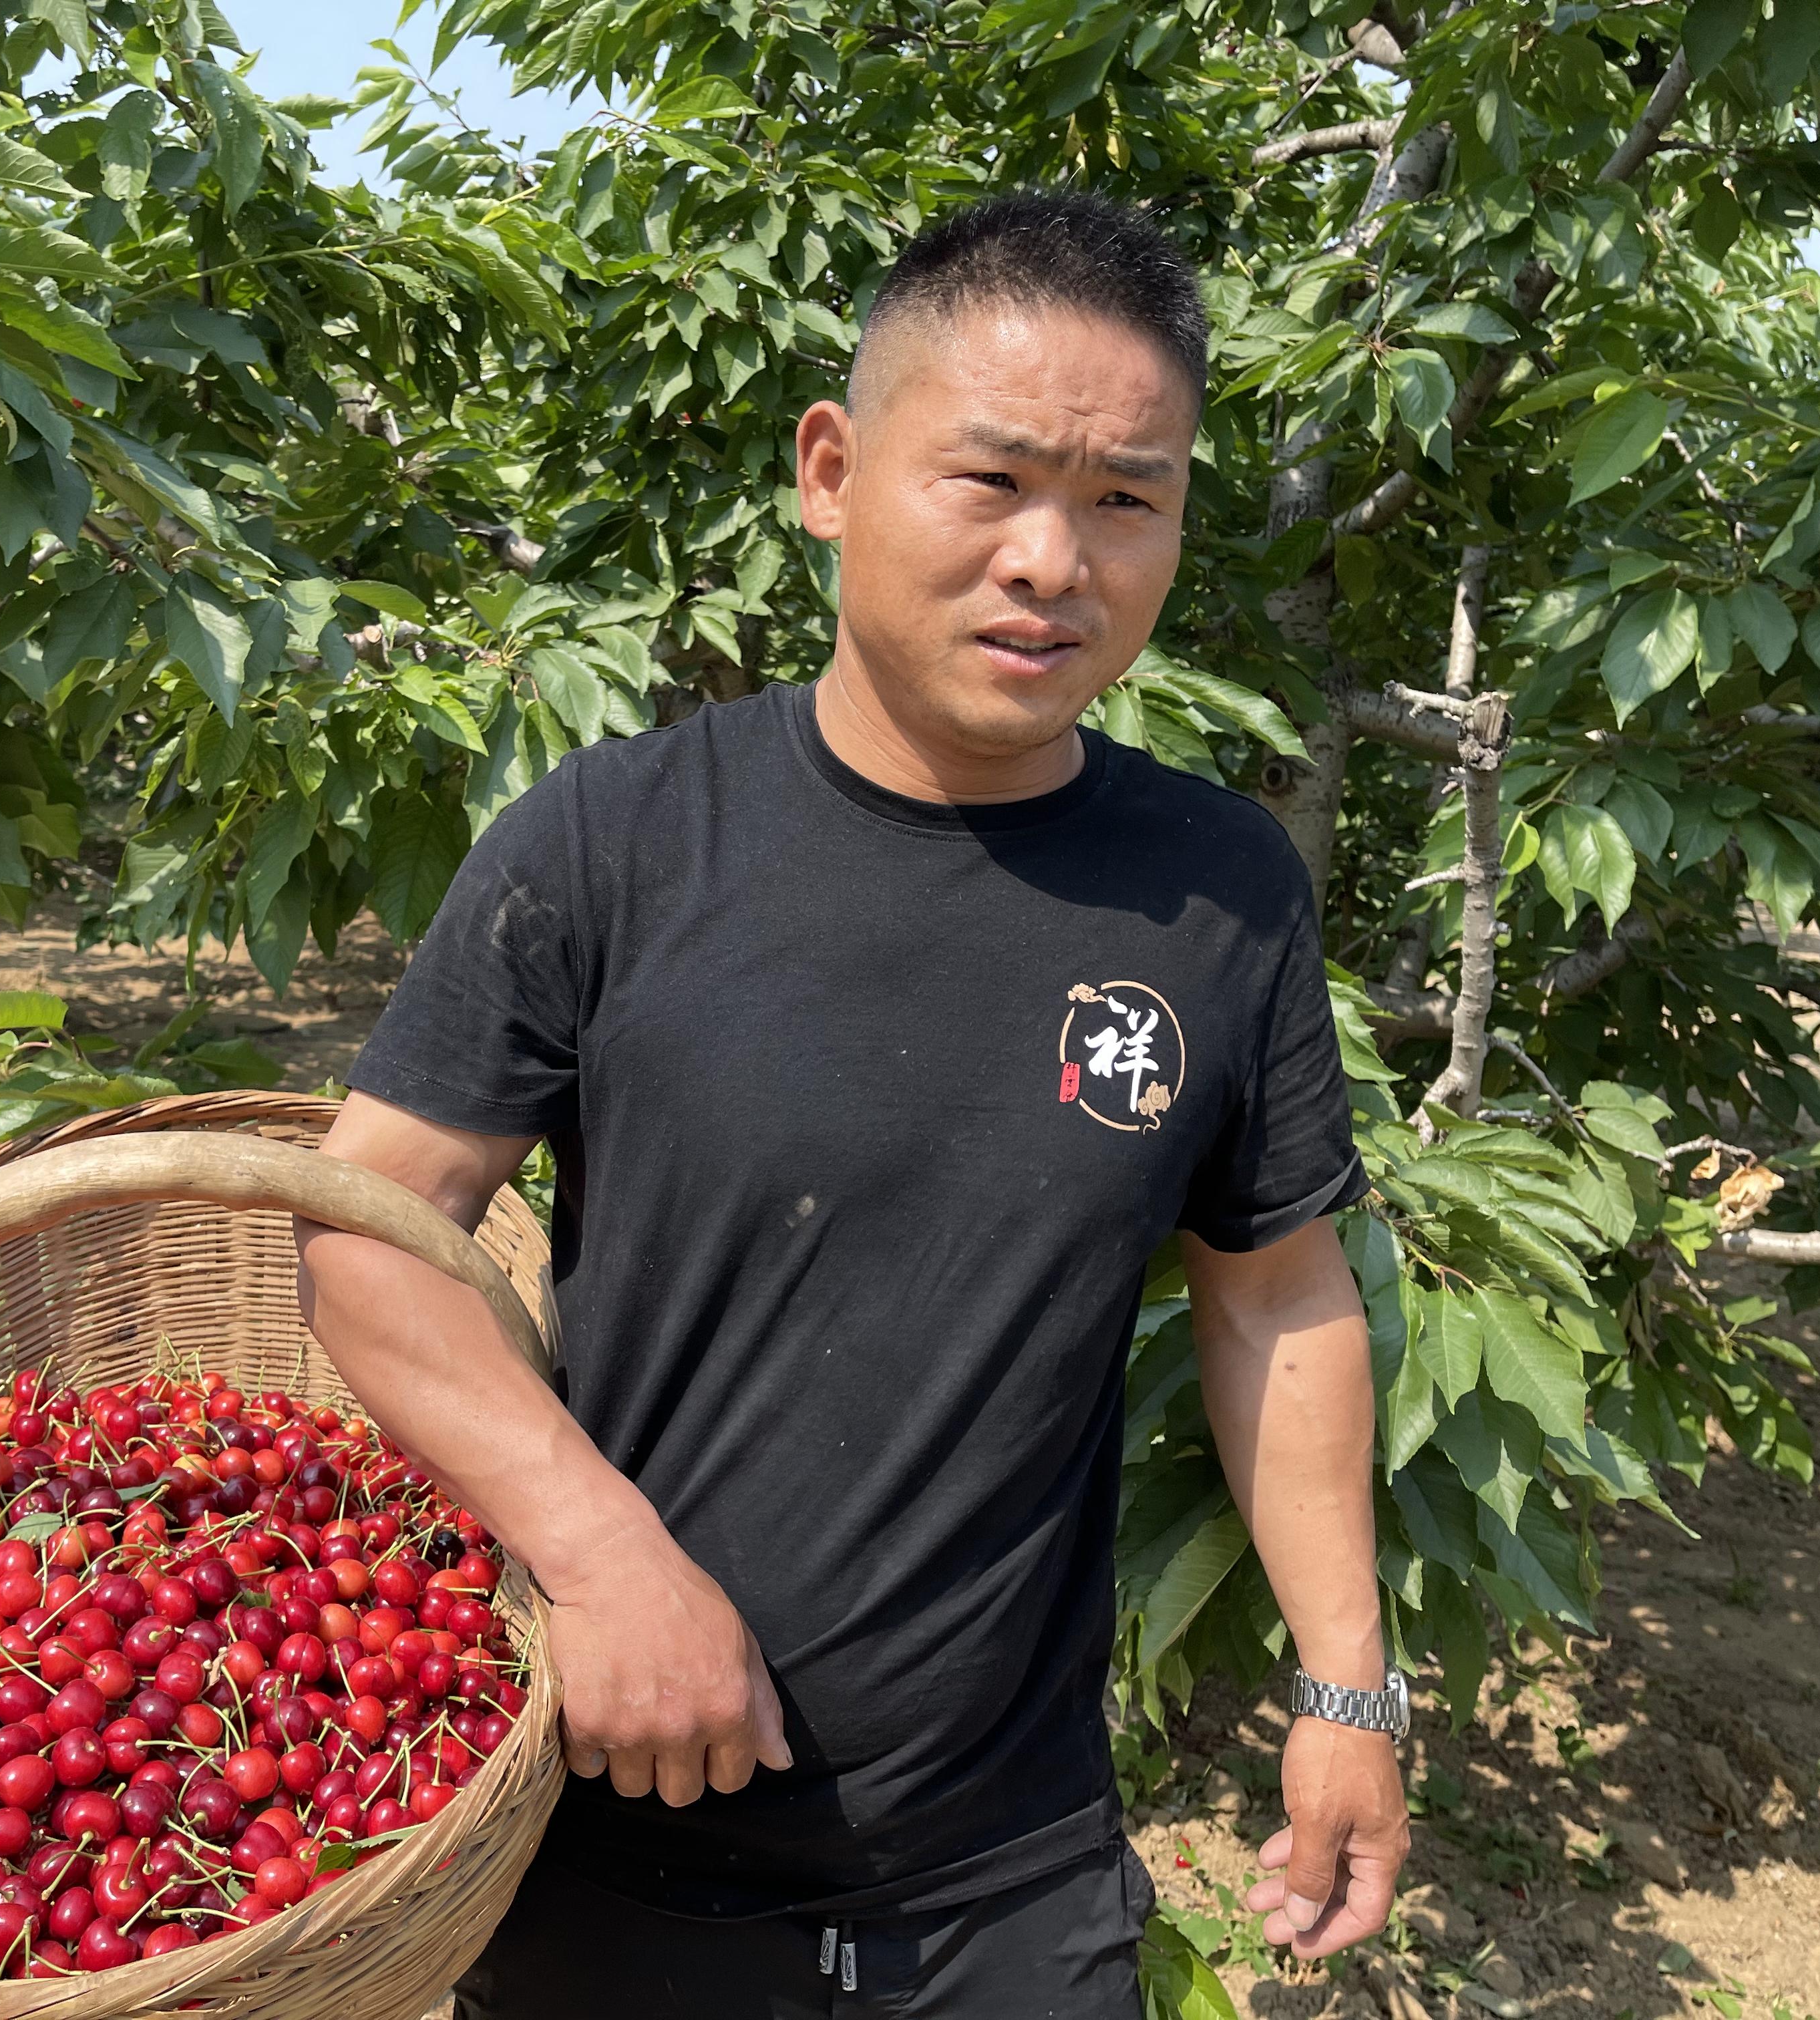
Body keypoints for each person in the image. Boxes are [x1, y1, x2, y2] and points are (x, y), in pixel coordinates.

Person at [295, 188, 1410, 2017]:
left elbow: (1277, 1295)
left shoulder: (1219, 889)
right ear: (832, 471)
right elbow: (366, 1231)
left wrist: (1348, 1682)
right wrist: (598, 1553)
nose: (1057, 559)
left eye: (1127, 497)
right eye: (992, 480)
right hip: (609, 1856)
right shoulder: (617, 842)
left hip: (1011, 1880)